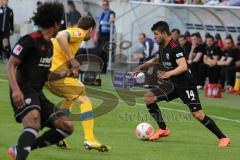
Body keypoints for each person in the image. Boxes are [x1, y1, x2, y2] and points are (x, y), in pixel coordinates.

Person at [132, 21, 230, 147]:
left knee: (197, 114)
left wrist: (169, 73)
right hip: (173, 84)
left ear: (164, 33)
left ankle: (223, 138)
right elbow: (157, 58)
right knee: (149, 97)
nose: (154, 37)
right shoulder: (162, 46)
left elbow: (183, 66)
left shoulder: (175, 47)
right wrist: (141, 66)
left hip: (186, 85)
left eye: (156, 34)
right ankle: (163, 129)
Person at [7, 2, 74, 160]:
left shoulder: (49, 46)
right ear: (55, 23)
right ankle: (21, 154)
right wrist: (16, 90)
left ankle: (22, 149)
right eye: (60, 23)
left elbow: (46, 75)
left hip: (37, 93)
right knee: (34, 121)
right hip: (23, 90)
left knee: (66, 126)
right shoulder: (29, 40)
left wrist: (65, 74)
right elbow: (11, 64)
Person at [45, 16, 111, 152]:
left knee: (74, 94)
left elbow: (54, 43)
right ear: (91, 29)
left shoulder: (73, 34)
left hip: (47, 76)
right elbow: (60, 36)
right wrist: (72, 60)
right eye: (92, 32)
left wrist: (69, 67)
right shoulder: (79, 32)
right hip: (56, 76)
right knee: (85, 101)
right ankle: (90, 139)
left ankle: (59, 134)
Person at [97, 0, 115, 73]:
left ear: (108, 5)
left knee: (104, 51)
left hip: (107, 35)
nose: (104, 6)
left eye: (105, 5)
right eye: (103, 5)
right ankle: (101, 68)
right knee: (99, 52)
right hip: (100, 34)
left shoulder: (111, 12)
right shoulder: (101, 13)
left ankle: (104, 69)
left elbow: (112, 18)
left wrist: (111, 19)